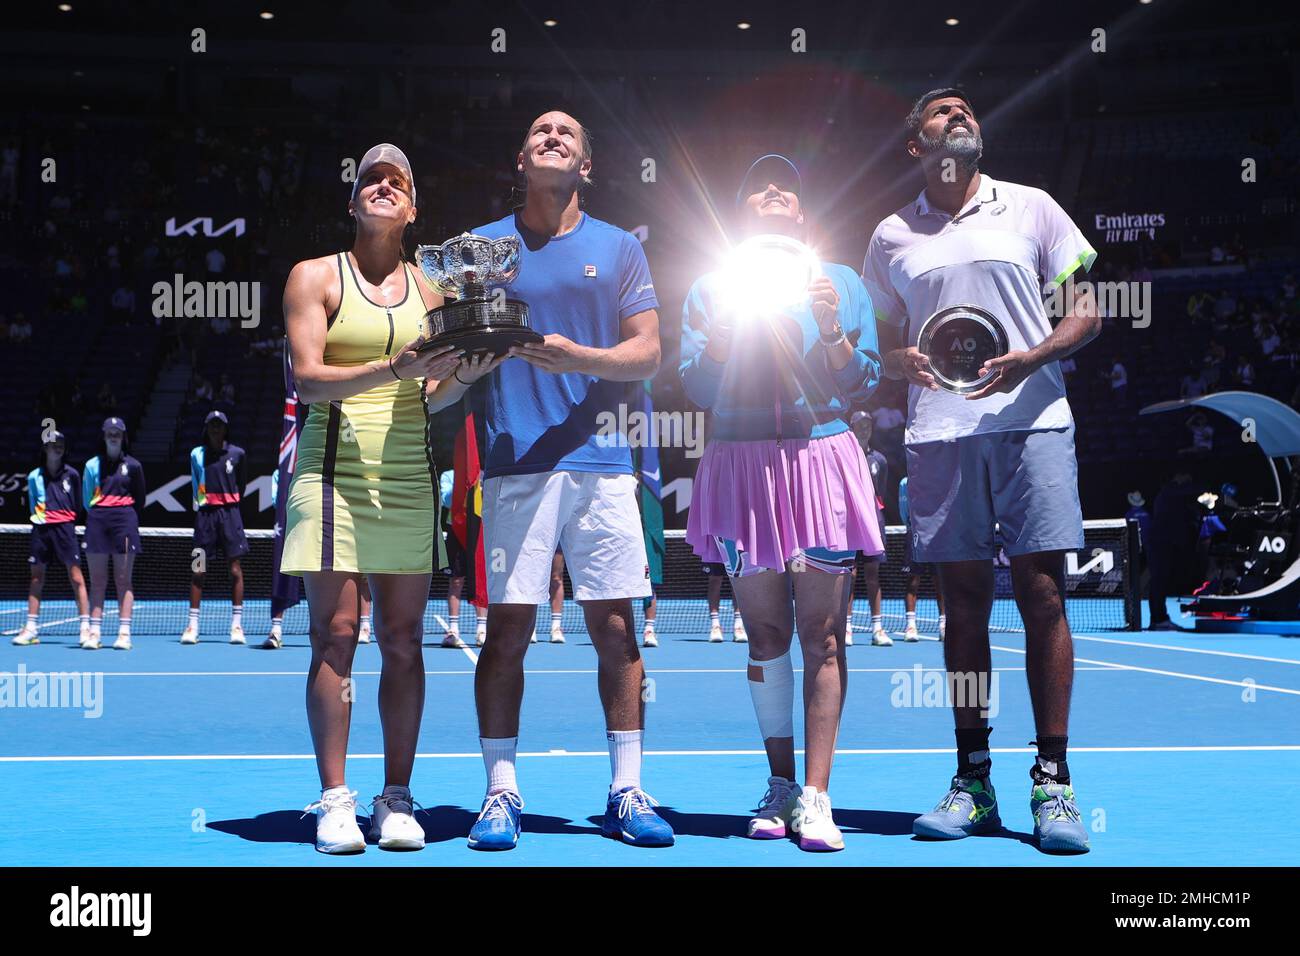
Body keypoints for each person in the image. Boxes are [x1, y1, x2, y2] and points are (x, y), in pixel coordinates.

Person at [863, 88, 1101, 853]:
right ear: (915, 145)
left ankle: (1053, 780)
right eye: (941, 112)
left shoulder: (1032, 206)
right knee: (961, 609)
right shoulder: (891, 236)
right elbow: (884, 339)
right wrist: (893, 359)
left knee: (1042, 595)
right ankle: (973, 778)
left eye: (967, 109)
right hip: (939, 433)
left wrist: (1035, 354)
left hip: (1033, 422)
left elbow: (1087, 308)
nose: (959, 115)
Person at [426, 111, 669, 850]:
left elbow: (651, 352)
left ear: (586, 165)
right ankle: (501, 794)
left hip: (601, 467)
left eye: (567, 132)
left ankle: (626, 789)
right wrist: (469, 360)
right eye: (539, 131)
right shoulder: (480, 252)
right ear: (521, 161)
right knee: (507, 633)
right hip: (512, 467)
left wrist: (580, 358)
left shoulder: (621, 248)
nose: (553, 135)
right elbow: (443, 366)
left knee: (617, 630)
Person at [280, 143, 481, 854]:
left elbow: (429, 399)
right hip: (331, 471)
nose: (384, 185)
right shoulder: (314, 277)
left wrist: (462, 375)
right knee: (335, 636)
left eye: (398, 180)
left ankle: (396, 799)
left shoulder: (435, 293)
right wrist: (393, 365)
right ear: (354, 200)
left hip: (407, 476)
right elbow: (306, 381)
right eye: (372, 178)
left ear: (413, 208)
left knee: (402, 641)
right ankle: (337, 801)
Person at [681, 152, 883, 851]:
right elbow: (698, 389)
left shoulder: (842, 281)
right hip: (740, 465)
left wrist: (830, 330)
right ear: (741, 215)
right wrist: (721, 343)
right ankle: (781, 785)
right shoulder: (711, 287)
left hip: (820, 460)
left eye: (788, 189)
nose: (774, 193)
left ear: (803, 212)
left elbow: (862, 383)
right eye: (759, 186)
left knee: (822, 637)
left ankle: (819, 797)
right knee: (764, 635)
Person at [15, 431, 90, 646]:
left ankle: (85, 628)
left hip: (65, 529)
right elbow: (31, 504)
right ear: (44, 449)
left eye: (60, 445)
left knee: (76, 577)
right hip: (41, 530)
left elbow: (78, 504)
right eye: (51, 445)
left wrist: (65, 519)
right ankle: (30, 628)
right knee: (36, 578)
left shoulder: (72, 475)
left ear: (64, 449)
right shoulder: (34, 476)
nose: (56, 448)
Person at [181, 411, 250, 645]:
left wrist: (228, 502)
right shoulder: (197, 454)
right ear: (206, 428)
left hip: (230, 516)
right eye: (212, 425)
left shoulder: (237, 454)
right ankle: (192, 626)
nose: (216, 429)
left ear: (226, 429)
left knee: (234, 570)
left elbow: (241, 484)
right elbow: (194, 482)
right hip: (205, 518)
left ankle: (237, 626)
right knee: (198, 569)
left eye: (219, 425)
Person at [83, 417, 147, 650]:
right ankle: (94, 632)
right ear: (103, 436)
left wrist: (122, 512)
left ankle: (124, 633)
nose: (113, 435)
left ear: (123, 436)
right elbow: (86, 499)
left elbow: (140, 499)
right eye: (109, 432)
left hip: (124, 522)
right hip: (97, 521)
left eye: (117, 432)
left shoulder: (133, 466)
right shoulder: (91, 465)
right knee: (98, 580)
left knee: (123, 580)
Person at [848, 410, 895, 645]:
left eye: (868, 424)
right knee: (849, 575)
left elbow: (881, 493)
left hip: (873, 523)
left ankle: (877, 629)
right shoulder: (843, 457)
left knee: (872, 575)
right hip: (848, 524)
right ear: (852, 427)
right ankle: (846, 628)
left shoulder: (880, 460)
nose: (865, 428)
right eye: (860, 424)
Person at [438, 467, 485, 648]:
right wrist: (461, 484)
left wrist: (477, 485)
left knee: (480, 582)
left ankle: (482, 630)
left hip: (478, 532)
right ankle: (453, 630)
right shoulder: (448, 475)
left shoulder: (484, 476)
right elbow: (446, 500)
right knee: (455, 582)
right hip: (456, 531)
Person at [898, 475, 945, 641]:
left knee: (940, 580)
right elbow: (904, 510)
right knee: (912, 580)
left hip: (937, 533)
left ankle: (943, 625)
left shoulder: (939, 479)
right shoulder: (905, 482)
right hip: (915, 533)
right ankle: (911, 626)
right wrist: (912, 527)